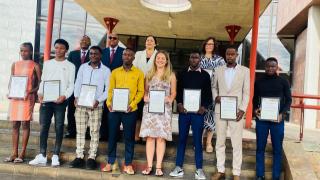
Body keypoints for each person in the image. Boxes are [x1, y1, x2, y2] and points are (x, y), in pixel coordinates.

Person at [29, 39, 75, 167]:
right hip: (47, 100)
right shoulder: (48, 63)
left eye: (61, 48)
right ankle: (42, 155)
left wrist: (64, 96)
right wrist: (40, 93)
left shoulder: (70, 66)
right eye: (56, 47)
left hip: (60, 101)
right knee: (44, 126)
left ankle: (55, 155)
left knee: (59, 127)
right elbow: (43, 81)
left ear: (66, 50)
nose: (58, 50)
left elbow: (71, 85)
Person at [169, 50, 212, 180]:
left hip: (198, 114)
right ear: (189, 59)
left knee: (198, 141)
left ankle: (199, 169)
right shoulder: (182, 74)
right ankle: (178, 167)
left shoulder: (205, 75)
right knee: (181, 139)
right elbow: (178, 91)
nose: (194, 60)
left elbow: (208, 95)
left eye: (196, 58)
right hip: (184, 113)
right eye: (192, 57)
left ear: (200, 60)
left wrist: (203, 107)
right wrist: (180, 104)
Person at [102, 48, 144, 175]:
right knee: (112, 136)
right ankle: (110, 162)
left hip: (130, 110)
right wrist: (109, 103)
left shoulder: (139, 73)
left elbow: (140, 92)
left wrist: (132, 104)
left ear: (133, 58)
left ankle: (128, 164)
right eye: (125, 54)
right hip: (114, 109)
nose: (127, 56)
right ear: (122, 56)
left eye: (130, 55)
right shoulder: (115, 72)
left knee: (129, 138)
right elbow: (110, 90)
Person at [211, 45, 250, 180]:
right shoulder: (218, 69)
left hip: (236, 112)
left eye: (232, 54)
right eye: (228, 54)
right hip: (220, 110)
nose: (230, 56)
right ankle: (220, 170)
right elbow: (214, 87)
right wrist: (216, 96)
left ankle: (236, 173)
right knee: (220, 141)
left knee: (236, 143)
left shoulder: (245, 71)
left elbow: (246, 92)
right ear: (225, 56)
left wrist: (243, 109)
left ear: (237, 56)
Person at [70, 46, 111, 170]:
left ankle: (92, 157)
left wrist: (99, 100)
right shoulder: (83, 67)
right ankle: (79, 156)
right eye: (91, 53)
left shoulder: (106, 70)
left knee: (94, 132)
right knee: (80, 131)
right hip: (81, 104)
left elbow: (108, 89)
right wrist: (76, 97)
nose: (93, 55)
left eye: (96, 54)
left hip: (96, 106)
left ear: (100, 55)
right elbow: (77, 83)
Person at [253, 57, 292, 180]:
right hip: (262, 121)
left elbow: (289, 100)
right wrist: (255, 109)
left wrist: (282, 113)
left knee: (277, 149)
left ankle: (275, 177)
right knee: (260, 148)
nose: (270, 68)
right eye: (268, 66)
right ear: (265, 67)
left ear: (277, 67)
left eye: (273, 66)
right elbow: (255, 99)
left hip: (277, 121)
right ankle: (260, 175)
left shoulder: (283, 81)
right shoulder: (258, 81)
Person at [139, 50, 176, 176]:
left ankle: (158, 167)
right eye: (158, 58)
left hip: (164, 110)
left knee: (160, 138)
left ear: (166, 61)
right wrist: (145, 97)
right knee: (150, 137)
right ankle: (149, 166)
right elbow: (145, 91)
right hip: (150, 110)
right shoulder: (149, 74)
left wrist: (170, 99)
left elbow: (174, 92)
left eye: (163, 58)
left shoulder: (171, 75)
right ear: (155, 60)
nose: (160, 60)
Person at [4, 42, 41, 163]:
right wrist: (10, 92)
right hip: (15, 98)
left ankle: (22, 153)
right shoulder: (15, 64)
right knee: (15, 125)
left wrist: (31, 91)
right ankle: (14, 153)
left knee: (25, 124)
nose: (23, 53)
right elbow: (12, 80)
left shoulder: (35, 65)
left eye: (25, 51)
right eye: (21, 50)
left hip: (27, 99)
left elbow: (40, 84)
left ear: (30, 52)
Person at [200, 37, 225, 153]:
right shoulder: (199, 59)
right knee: (199, 117)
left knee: (211, 117)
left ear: (215, 46)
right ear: (204, 45)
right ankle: (198, 141)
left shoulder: (219, 60)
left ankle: (209, 142)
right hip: (200, 94)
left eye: (212, 44)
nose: (209, 46)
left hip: (214, 93)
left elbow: (223, 76)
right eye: (207, 44)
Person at [100, 33, 125, 141]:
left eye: (115, 38)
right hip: (104, 87)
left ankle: (115, 136)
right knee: (104, 112)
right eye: (110, 38)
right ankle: (103, 135)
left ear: (118, 40)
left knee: (115, 113)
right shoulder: (103, 52)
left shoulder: (123, 52)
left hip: (118, 87)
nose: (112, 39)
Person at [65, 35, 91, 139]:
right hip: (74, 86)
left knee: (86, 110)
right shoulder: (73, 54)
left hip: (87, 88)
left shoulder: (92, 54)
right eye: (82, 40)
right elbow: (68, 69)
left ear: (89, 44)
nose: (84, 42)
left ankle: (85, 131)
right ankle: (71, 131)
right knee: (71, 109)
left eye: (86, 41)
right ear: (79, 43)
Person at [133, 35, 158, 142]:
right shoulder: (139, 54)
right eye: (147, 40)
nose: (149, 42)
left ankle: (145, 135)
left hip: (153, 87)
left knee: (148, 113)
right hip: (138, 86)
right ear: (145, 43)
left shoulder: (158, 55)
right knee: (138, 113)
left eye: (151, 41)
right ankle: (137, 135)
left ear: (155, 44)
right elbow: (134, 69)